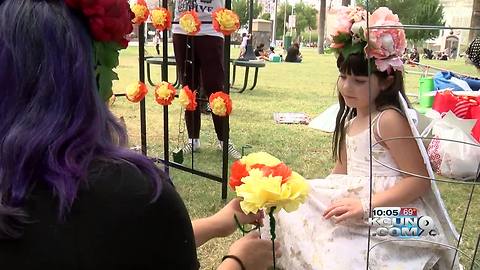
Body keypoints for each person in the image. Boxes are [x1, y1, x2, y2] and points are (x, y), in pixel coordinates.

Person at [0, 0, 280, 269]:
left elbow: (124, 244)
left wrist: (218, 223)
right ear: (87, 70)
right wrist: (239, 263)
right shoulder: (134, 193)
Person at [263, 7, 458, 269]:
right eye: (343, 77)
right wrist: (308, 191)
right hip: (356, 206)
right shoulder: (351, 123)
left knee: (341, 257)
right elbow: (339, 174)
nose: (346, 87)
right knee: (292, 210)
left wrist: (365, 205)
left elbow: (419, 181)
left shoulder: (388, 120)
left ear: (386, 81)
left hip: (394, 214)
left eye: (358, 80)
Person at [173, 0, 241, 159]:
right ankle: (193, 138)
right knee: (188, 89)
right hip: (182, 27)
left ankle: (224, 140)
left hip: (210, 28)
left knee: (216, 88)